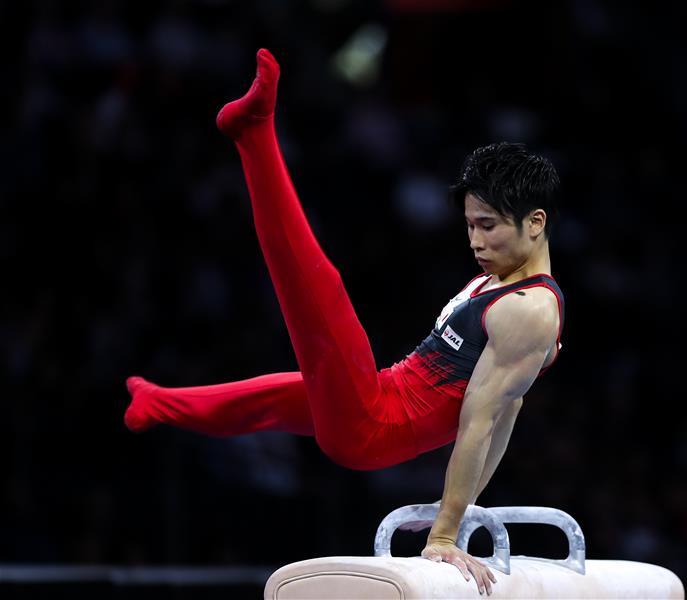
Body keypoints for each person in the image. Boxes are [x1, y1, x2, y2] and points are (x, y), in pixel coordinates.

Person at [124, 49, 563, 596]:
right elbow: (507, 411)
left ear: (535, 222)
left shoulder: (530, 310)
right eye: (470, 224)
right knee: (269, 399)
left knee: (315, 284)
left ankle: (254, 132)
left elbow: (485, 420)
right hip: (379, 394)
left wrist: (446, 533)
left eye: (488, 226)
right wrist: (465, 504)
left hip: (373, 427)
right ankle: (156, 403)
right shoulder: (495, 282)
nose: (475, 240)